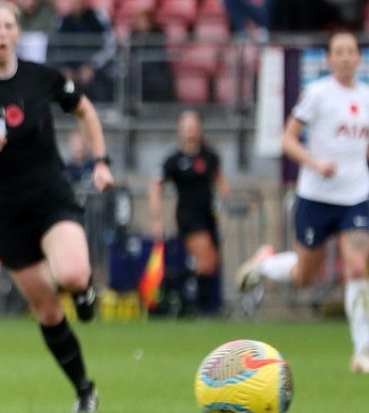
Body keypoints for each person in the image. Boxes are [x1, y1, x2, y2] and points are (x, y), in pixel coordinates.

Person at [0, 0, 113, 413]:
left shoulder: (41, 77)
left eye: (7, 26)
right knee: (48, 309)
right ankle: (84, 389)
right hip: (5, 213)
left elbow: (84, 110)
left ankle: (85, 289)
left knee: (71, 273)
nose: (0, 34)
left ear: (18, 33)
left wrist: (101, 162)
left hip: (51, 197)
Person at [238, 32, 369, 374]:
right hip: (317, 196)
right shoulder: (317, 93)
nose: (345, 57)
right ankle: (266, 264)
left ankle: (362, 351)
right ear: (328, 58)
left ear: (359, 57)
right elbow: (288, 139)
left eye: (350, 51)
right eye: (338, 51)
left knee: (357, 267)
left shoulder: (367, 95)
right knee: (306, 275)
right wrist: (315, 163)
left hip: (355, 195)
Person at [150, 111, 229, 316]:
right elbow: (156, 184)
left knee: (211, 264)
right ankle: (200, 307)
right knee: (205, 262)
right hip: (188, 217)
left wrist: (226, 198)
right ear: (180, 130)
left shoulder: (209, 156)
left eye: (194, 126)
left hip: (208, 216)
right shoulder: (175, 160)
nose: (191, 131)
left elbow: (220, 182)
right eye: (187, 127)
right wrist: (157, 215)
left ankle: (173, 284)